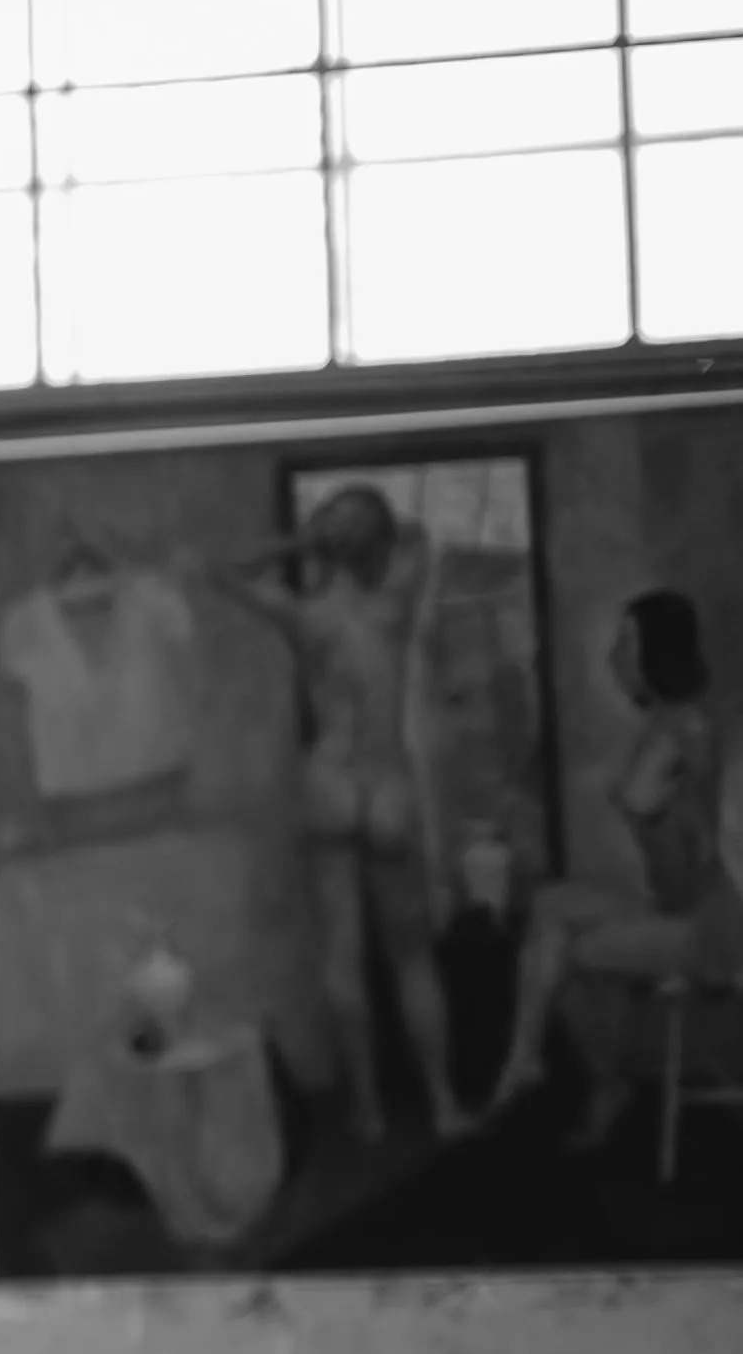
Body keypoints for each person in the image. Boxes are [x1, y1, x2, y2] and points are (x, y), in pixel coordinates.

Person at [208, 484, 472, 1140]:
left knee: (341, 956)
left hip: (328, 781)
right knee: (412, 958)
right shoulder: (398, 600)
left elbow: (219, 570)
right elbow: (419, 536)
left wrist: (303, 541)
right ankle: (443, 1102)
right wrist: (360, 531)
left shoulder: (306, 617)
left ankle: (368, 1109)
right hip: (385, 784)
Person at [492, 589, 743, 1148]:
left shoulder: (684, 730)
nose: (613, 657)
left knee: (569, 952)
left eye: (625, 643)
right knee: (550, 906)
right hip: (683, 901)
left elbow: (641, 799)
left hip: (711, 923)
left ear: (657, 650)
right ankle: (528, 1057)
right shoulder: (680, 721)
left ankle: (602, 1083)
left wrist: (639, 803)